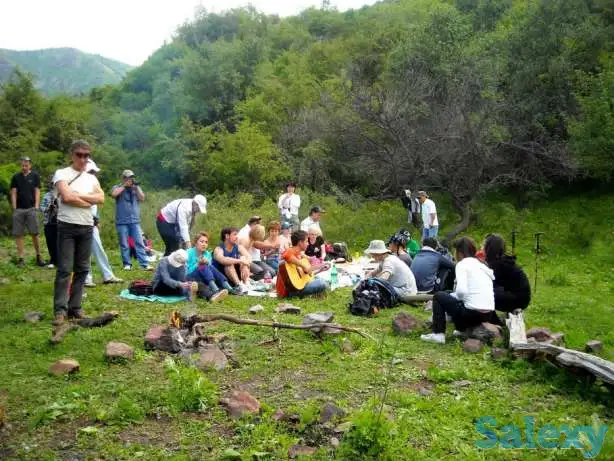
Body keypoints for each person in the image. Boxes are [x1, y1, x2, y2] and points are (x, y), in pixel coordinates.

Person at [52, 140, 105, 325]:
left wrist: (79, 197)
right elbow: (66, 197)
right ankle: (60, 310)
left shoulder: (91, 178)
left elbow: (101, 198)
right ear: (72, 155)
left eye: (86, 155)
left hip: (86, 226)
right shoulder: (62, 174)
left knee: (82, 269)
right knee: (65, 269)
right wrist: (88, 201)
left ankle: (75, 308)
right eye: (79, 155)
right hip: (67, 225)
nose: (83, 159)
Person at [421, 237, 499, 345]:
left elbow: (461, 292)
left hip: (471, 314)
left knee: (439, 296)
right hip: (488, 314)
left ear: (460, 252)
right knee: (449, 295)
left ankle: (438, 334)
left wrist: (453, 298)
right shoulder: (482, 265)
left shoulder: (462, 264)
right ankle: (461, 330)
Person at [83, 160, 124, 287]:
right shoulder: (81, 185)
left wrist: (97, 220)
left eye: (94, 172)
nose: (94, 174)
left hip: (92, 221)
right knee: (84, 251)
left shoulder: (93, 183)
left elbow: (96, 205)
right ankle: (86, 277)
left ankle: (107, 275)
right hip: (82, 221)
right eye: (91, 171)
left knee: (98, 248)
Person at [111, 169, 152, 271]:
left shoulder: (135, 188)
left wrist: (137, 187)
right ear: (123, 178)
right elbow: (114, 194)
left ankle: (144, 264)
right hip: (121, 221)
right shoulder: (117, 187)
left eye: (131, 177)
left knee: (139, 242)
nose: (130, 179)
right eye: (127, 177)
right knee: (124, 244)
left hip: (134, 220)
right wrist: (124, 186)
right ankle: (127, 264)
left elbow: (142, 198)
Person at [10, 156, 45, 267]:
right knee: (18, 234)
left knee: (34, 233)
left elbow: (37, 191)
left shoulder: (35, 176)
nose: (24, 167)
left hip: (31, 208)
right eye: (22, 165)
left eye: (26, 165)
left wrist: (36, 206)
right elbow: (14, 193)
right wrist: (14, 208)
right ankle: (21, 258)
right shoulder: (16, 177)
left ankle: (39, 256)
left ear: (30, 165)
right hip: (19, 209)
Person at [483, 234, 531, 313]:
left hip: (518, 299)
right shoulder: (502, 261)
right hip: (521, 297)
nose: (481, 247)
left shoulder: (498, 265)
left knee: (483, 293)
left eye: (483, 245)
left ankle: (493, 321)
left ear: (489, 248)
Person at [276, 230, 328, 298]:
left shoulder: (299, 254)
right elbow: (286, 255)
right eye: (306, 241)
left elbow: (302, 277)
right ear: (300, 243)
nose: (308, 244)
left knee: (320, 279)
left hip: (295, 286)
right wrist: (303, 266)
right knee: (322, 283)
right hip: (290, 291)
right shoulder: (291, 250)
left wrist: (320, 270)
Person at [186, 232, 231, 301]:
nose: (204, 244)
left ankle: (228, 288)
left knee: (209, 266)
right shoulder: (188, 252)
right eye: (202, 242)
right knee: (203, 266)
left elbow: (210, 270)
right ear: (195, 243)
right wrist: (198, 264)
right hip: (190, 276)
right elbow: (186, 272)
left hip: (203, 278)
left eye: (206, 242)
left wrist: (207, 263)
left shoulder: (207, 254)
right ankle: (216, 289)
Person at [213, 227, 252, 293]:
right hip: (222, 278)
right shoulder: (219, 249)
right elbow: (223, 260)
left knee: (243, 258)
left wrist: (245, 264)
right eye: (234, 234)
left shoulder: (238, 247)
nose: (237, 237)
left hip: (234, 276)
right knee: (229, 264)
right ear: (227, 236)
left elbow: (249, 257)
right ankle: (239, 286)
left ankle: (245, 283)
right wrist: (240, 261)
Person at [40, 176, 58, 268]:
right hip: (49, 222)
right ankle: (53, 260)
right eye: (53, 184)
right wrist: (49, 207)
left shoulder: (62, 195)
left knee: (61, 242)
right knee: (50, 242)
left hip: (60, 223)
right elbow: (42, 208)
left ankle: (61, 261)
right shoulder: (46, 196)